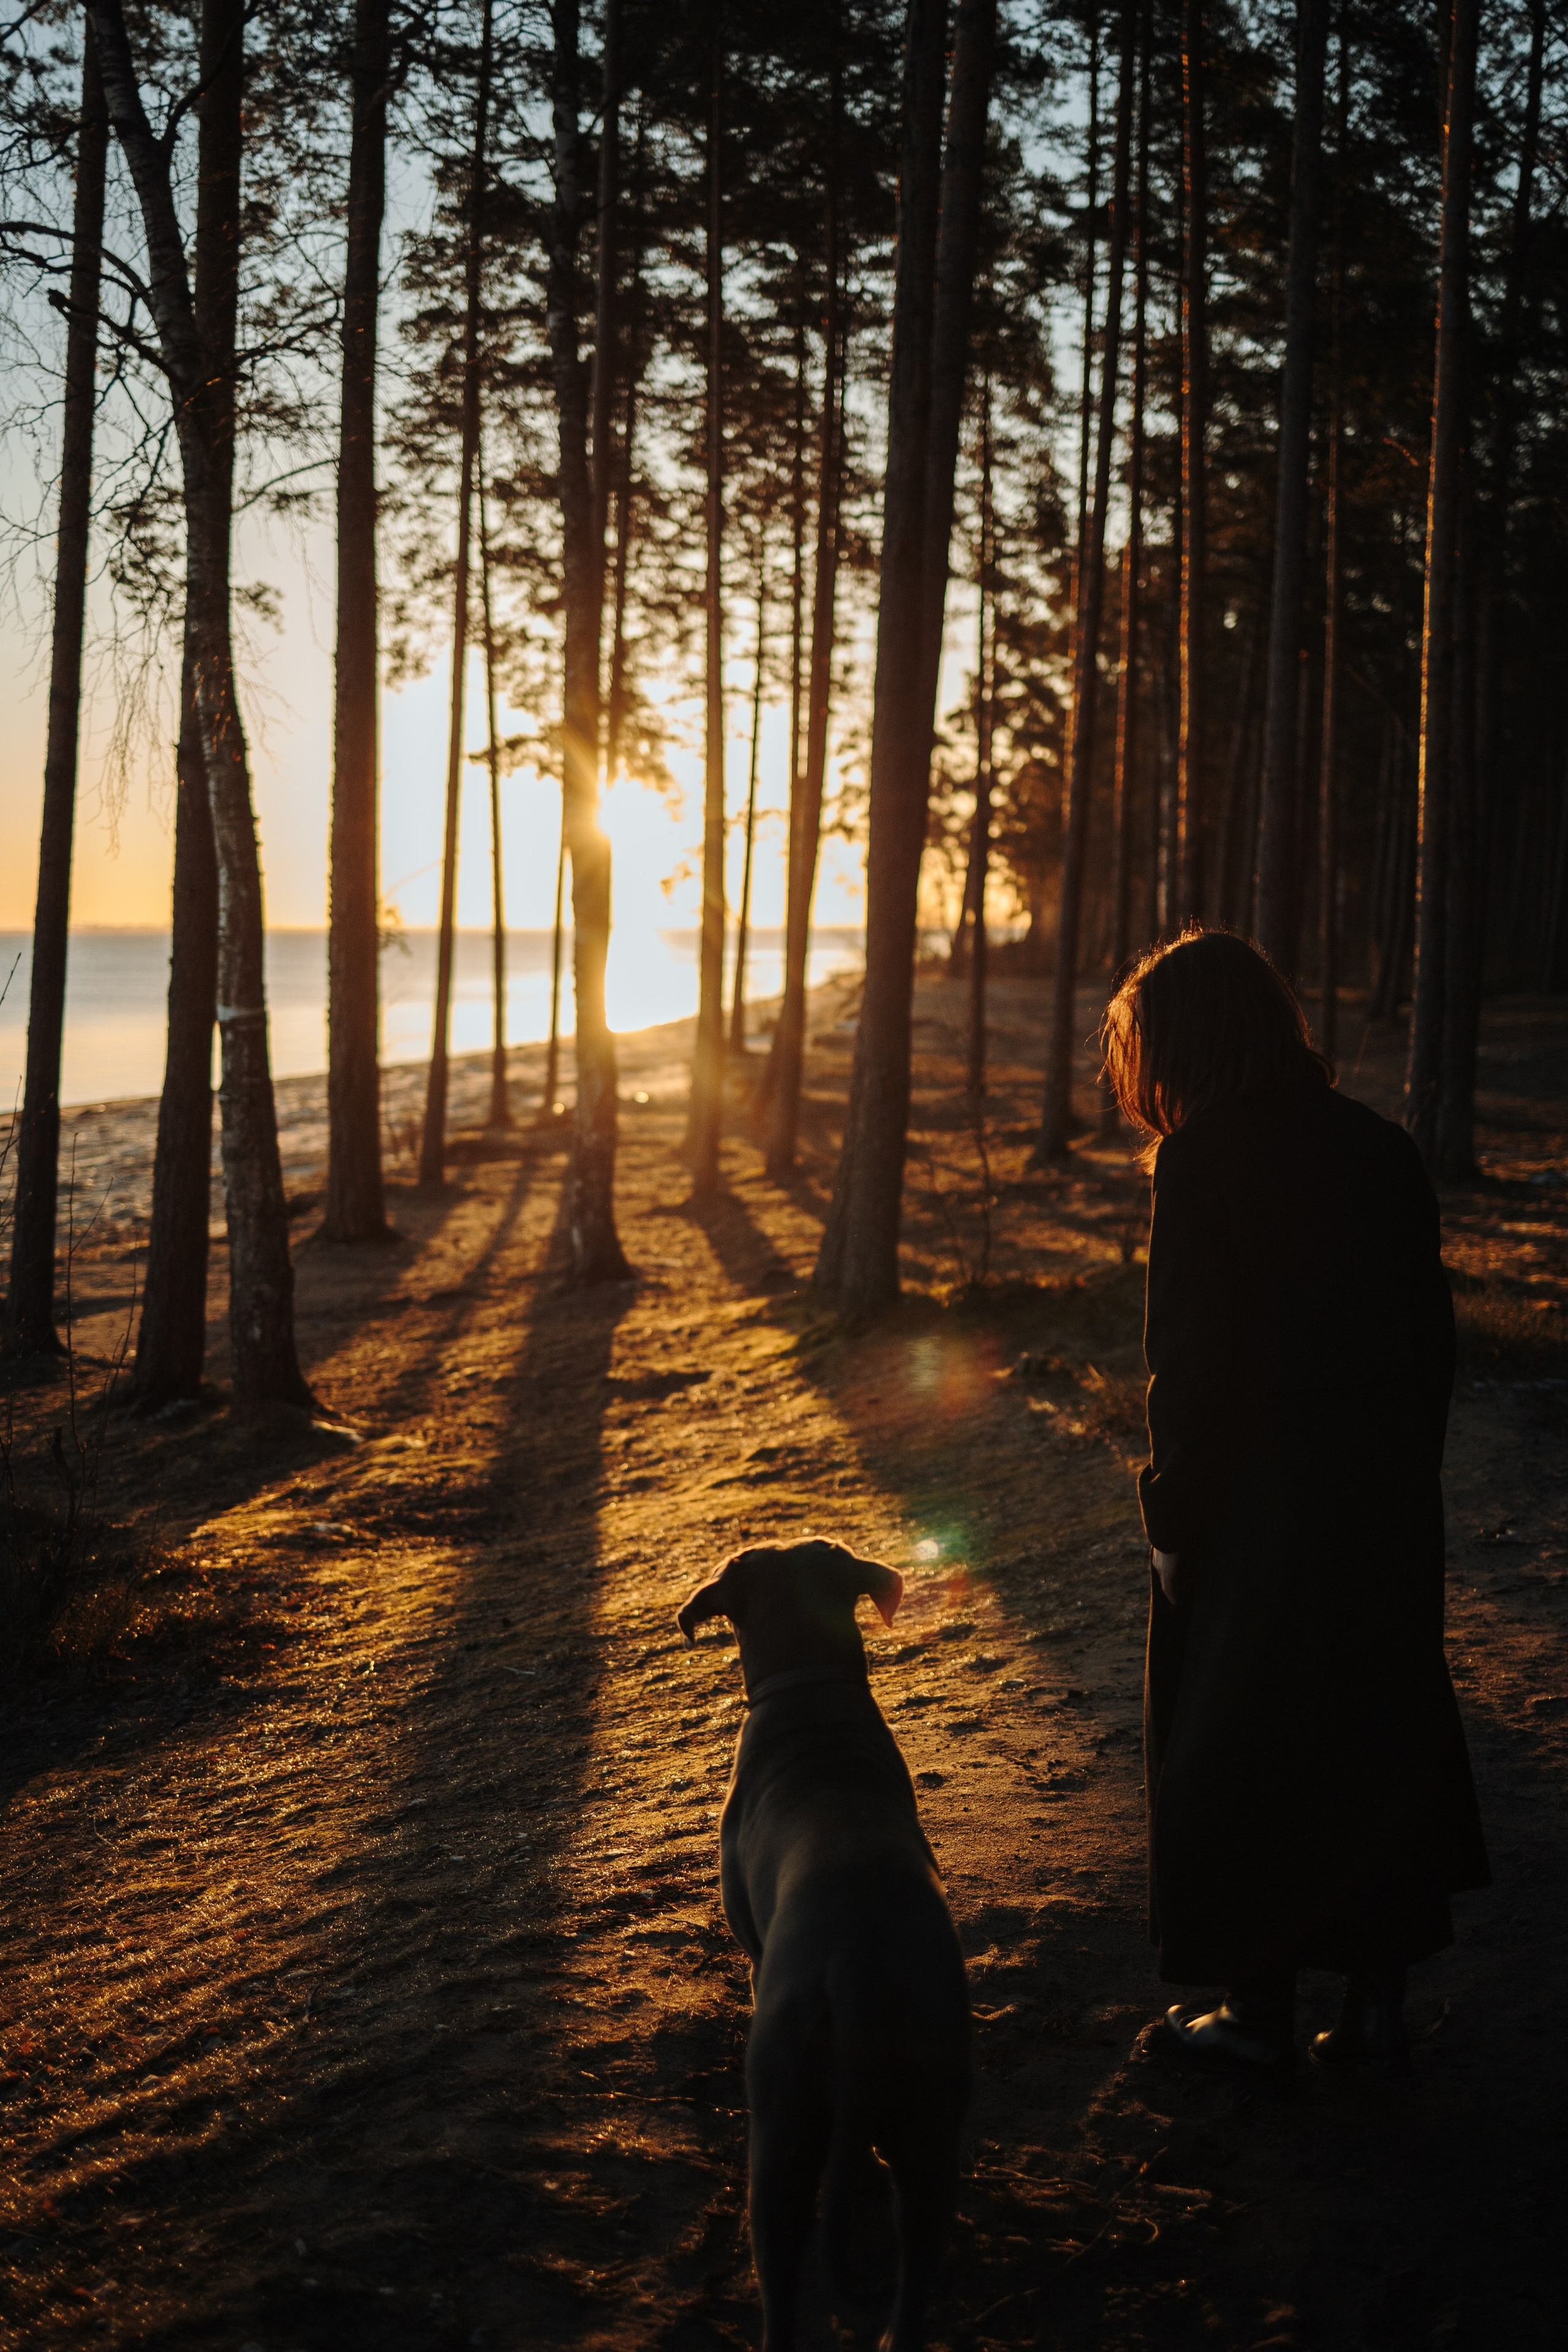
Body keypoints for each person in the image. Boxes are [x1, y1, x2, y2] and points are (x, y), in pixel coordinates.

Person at [1103, 926, 1489, 2081]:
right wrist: (1402, 1480)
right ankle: (1374, 2015)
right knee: (1376, 1732)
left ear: (1183, 1044)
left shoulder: (1203, 1161)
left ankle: (1257, 2013)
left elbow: (1193, 1368)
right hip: (1377, 1496)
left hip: (1256, 1511)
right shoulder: (1378, 1146)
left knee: (1233, 1743)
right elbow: (1431, 1341)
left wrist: (1175, 1523)